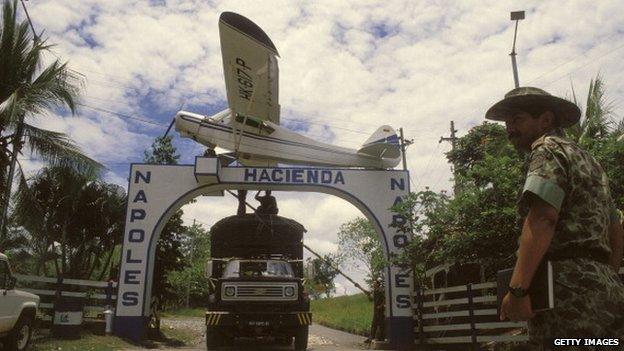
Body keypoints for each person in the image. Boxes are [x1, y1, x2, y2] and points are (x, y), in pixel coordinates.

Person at [486, 87, 624, 348]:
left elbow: (542, 219)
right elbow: (615, 229)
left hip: (564, 293)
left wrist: (518, 291)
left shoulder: (546, 150)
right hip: (607, 290)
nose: (509, 128)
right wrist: (606, 279)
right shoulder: (591, 161)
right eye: (507, 122)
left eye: (517, 119)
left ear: (546, 120)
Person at [365, 279, 385, 343]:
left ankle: (382, 338)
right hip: (375, 310)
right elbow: (371, 300)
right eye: (373, 283)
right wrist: (368, 295)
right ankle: (371, 338)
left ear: (378, 284)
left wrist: (381, 306)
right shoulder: (374, 292)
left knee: (381, 324)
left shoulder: (380, 291)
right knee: (374, 324)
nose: (373, 284)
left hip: (380, 310)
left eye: (374, 283)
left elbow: (384, 299)